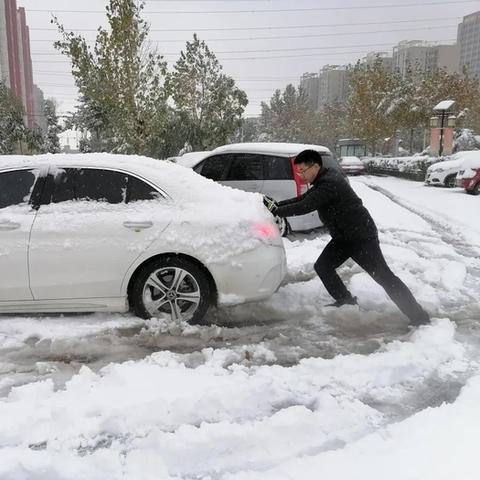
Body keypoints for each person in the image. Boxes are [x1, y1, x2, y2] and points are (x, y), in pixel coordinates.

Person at [263, 149, 430, 327]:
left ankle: (419, 317)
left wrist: (278, 211)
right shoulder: (322, 181)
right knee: (323, 266)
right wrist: (277, 205)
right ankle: (345, 300)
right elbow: (304, 198)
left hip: (361, 237)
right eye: (298, 171)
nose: (300, 174)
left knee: (384, 276)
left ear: (316, 166)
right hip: (344, 238)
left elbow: (306, 205)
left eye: (302, 170)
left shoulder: (330, 183)